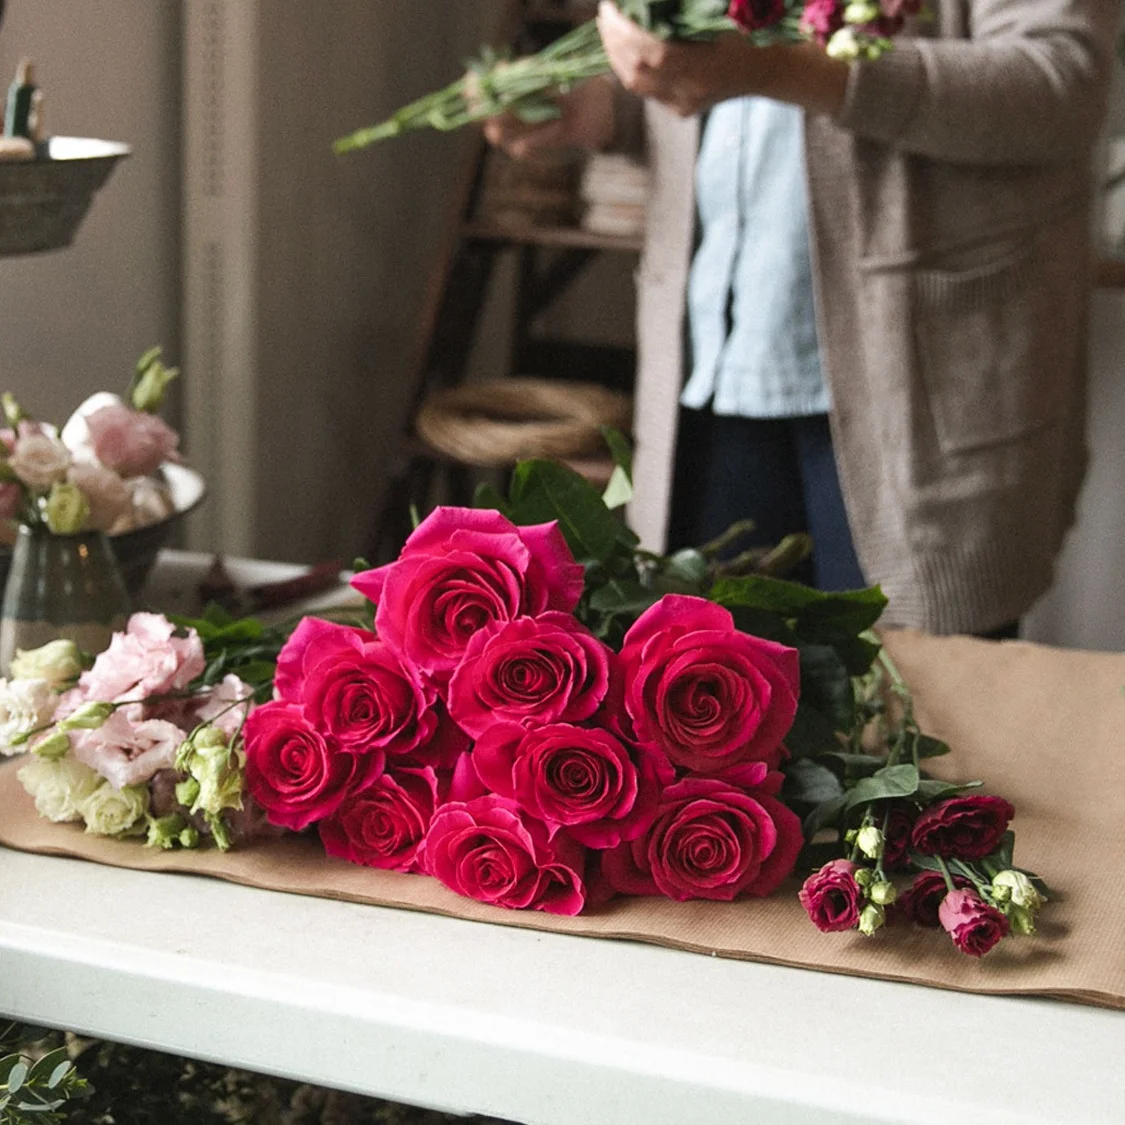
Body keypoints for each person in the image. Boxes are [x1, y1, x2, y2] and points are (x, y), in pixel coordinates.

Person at [485, 0, 1117, 635]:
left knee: (924, 709)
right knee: (712, 698)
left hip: (917, 397)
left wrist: (783, 69)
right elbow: (722, 111)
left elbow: (1060, 83)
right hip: (711, 367)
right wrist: (599, 106)